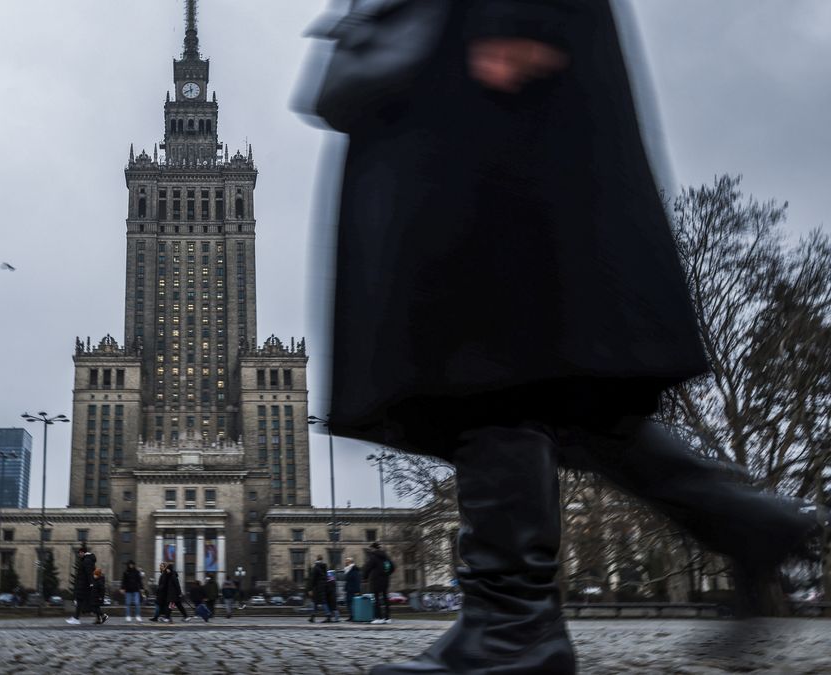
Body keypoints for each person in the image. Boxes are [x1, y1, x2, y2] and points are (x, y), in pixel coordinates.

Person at [313, 0, 827, 671]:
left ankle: (513, 626)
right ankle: (746, 521)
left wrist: (517, 19)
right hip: (440, 75)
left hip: (478, 73)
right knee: (548, 385)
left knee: (487, 363)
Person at [362, 543, 393, 625]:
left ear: (373, 548)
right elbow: (392, 567)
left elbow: (367, 568)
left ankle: (378, 618)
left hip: (375, 580)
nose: (370, 550)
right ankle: (387, 618)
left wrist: (364, 577)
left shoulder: (373, 557)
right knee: (385, 598)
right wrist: (386, 574)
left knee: (376, 599)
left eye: (371, 548)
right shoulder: (386, 557)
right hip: (385, 580)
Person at [66, 545, 97, 625]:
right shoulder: (87, 560)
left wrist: (91, 583)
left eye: (79, 553)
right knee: (82, 601)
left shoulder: (87, 560)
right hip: (84, 584)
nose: (79, 555)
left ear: (82, 552)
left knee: (85, 601)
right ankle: (76, 618)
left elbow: (88, 573)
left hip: (84, 585)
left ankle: (100, 616)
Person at [306, 554, 334, 623]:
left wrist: (310, 589)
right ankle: (312, 617)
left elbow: (312, 579)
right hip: (324, 586)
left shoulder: (316, 567)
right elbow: (327, 577)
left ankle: (328, 616)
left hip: (317, 587)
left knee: (320, 602)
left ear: (317, 559)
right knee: (318, 602)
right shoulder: (324, 567)